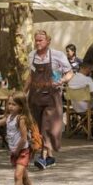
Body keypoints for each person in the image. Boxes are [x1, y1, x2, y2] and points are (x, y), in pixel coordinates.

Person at [27, 30, 73, 170]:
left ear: (48, 41)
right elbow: (30, 76)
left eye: (41, 40)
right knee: (37, 126)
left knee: (47, 125)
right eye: (36, 40)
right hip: (35, 95)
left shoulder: (58, 55)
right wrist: (22, 93)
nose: (38, 43)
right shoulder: (31, 55)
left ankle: (43, 157)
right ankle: (50, 158)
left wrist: (61, 80)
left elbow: (70, 73)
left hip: (52, 96)